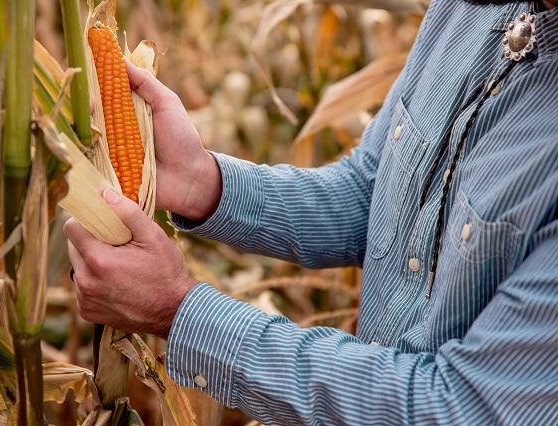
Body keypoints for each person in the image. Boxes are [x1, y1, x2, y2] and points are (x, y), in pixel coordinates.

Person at [64, 0, 558, 424]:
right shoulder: (471, 12)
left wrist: (179, 309)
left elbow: (459, 409)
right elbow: (371, 191)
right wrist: (202, 182)